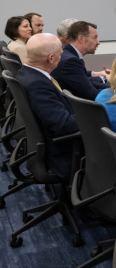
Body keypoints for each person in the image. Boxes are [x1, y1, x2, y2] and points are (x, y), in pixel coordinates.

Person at [16, 34, 79, 182]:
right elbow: (63, 125)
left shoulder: (25, 74)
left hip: (49, 145)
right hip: (63, 154)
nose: (61, 57)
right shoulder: (39, 84)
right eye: (60, 55)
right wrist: (89, 116)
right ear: (51, 58)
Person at [51, 20, 111, 100]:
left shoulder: (68, 55)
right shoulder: (70, 61)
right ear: (81, 39)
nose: (98, 42)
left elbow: (87, 82)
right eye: (95, 38)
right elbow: (92, 94)